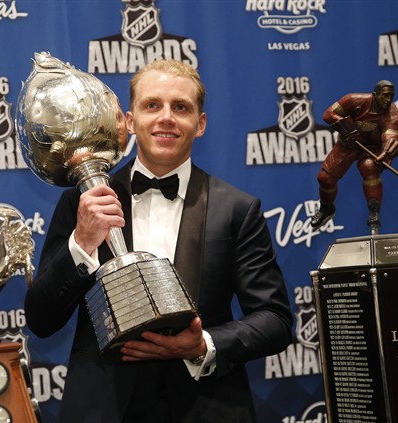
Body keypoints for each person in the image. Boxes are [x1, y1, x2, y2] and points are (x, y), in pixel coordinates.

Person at [25, 59, 293, 423]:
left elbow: (274, 320)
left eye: (180, 107)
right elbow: (41, 320)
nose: (166, 117)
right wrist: (82, 243)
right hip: (104, 409)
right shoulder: (81, 202)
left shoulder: (237, 208)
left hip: (207, 408)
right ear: (129, 122)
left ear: (200, 124)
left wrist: (204, 345)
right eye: (152, 105)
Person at [310, 80, 398, 232]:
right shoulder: (353, 100)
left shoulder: (393, 114)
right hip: (348, 145)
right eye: (385, 96)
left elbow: (390, 137)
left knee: (369, 167)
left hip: (372, 148)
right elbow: (328, 114)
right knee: (324, 178)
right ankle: (326, 208)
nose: (388, 100)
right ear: (375, 94)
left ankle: (374, 213)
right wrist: (348, 128)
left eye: (391, 96)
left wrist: (387, 150)